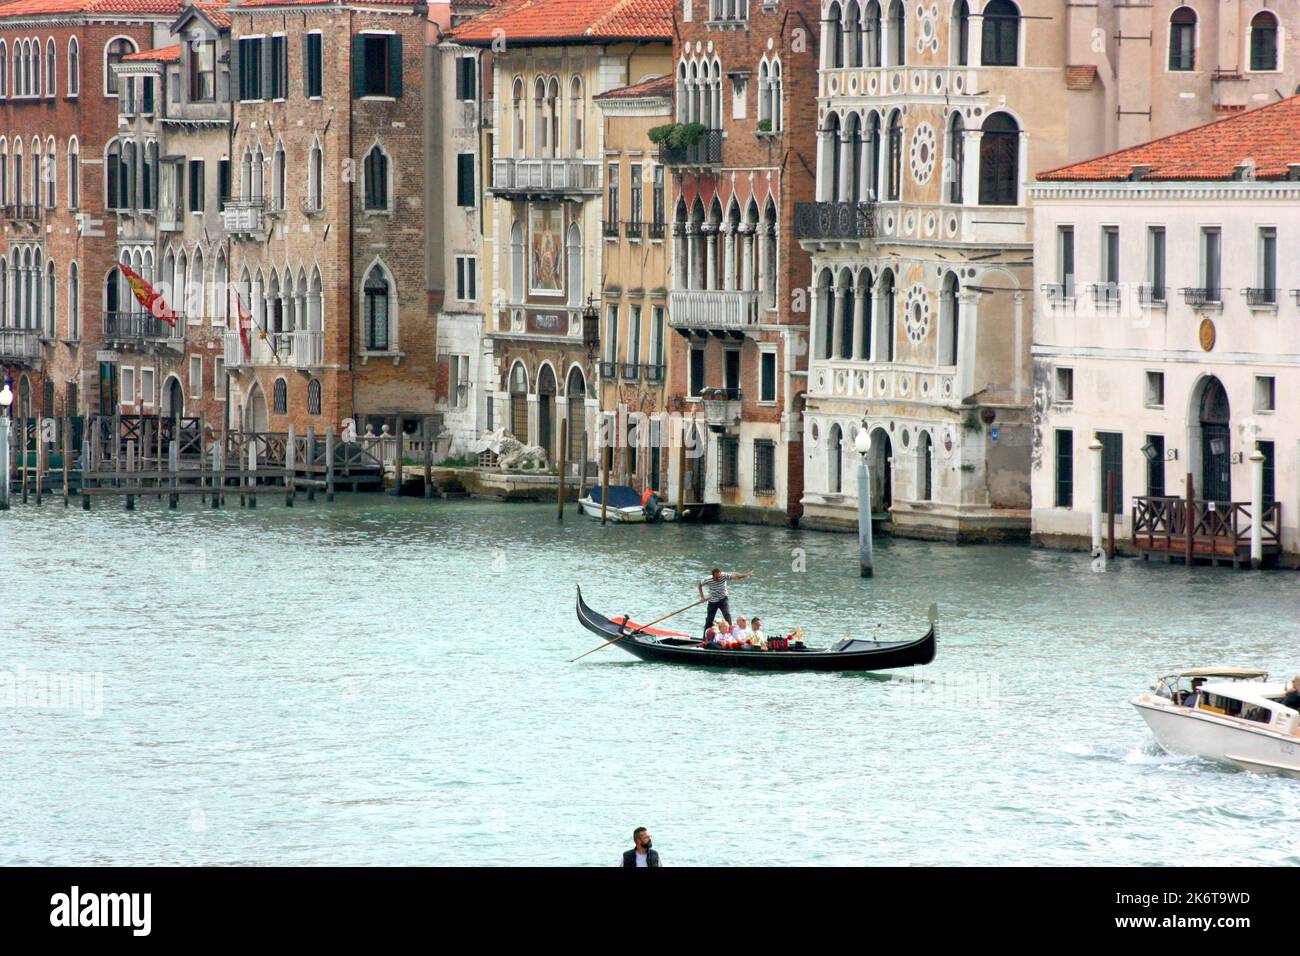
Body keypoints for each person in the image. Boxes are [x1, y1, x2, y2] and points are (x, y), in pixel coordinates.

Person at [698, 567, 752, 636]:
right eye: (717, 578)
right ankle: (705, 638)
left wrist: (746, 575)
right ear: (713, 576)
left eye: (719, 577)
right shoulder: (707, 580)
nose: (719, 579)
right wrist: (702, 597)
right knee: (709, 620)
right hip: (713, 601)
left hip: (723, 600)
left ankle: (731, 635)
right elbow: (700, 585)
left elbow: (736, 576)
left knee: (727, 615)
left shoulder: (724, 576)